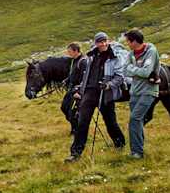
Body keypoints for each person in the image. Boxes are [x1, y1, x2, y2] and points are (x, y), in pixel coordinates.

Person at [66, 32, 126, 162]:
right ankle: (75, 153)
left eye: (104, 41)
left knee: (110, 122)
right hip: (89, 93)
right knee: (82, 122)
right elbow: (86, 76)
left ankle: (120, 144)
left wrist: (109, 85)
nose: (103, 44)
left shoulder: (114, 57)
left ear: (108, 41)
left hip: (105, 93)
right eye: (100, 41)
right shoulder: (91, 56)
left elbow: (120, 77)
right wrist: (80, 90)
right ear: (96, 43)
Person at [122, 28, 159, 159]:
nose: (127, 44)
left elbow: (147, 72)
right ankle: (139, 149)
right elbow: (125, 70)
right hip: (135, 92)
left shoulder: (151, 51)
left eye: (128, 41)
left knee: (134, 119)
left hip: (148, 91)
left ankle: (136, 152)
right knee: (137, 121)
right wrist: (137, 70)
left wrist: (133, 69)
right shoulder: (131, 53)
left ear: (134, 41)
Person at [61, 42, 87, 135]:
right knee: (64, 107)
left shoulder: (83, 62)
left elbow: (85, 79)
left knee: (73, 113)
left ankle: (76, 130)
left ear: (76, 51)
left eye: (70, 51)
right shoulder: (74, 61)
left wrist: (79, 92)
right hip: (71, 90)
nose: (68, 53)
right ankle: (75, 127)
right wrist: (66, 80)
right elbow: (73, 74)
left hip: (78, 92)